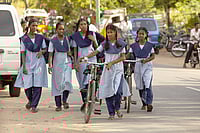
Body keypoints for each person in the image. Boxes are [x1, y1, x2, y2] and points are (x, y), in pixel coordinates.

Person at [80, 24, 130, 120]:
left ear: (115, 32)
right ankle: (111, 113)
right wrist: (86, 57)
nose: (109, 34)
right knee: (108, 91)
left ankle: (117, 108)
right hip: (107, 71)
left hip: (118, 70)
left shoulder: (121, 43)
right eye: (108, 32)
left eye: (111, 32)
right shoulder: (104, 44)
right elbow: (96, 52)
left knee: (118, 92)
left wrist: (112, 63)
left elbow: (123, 57)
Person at [70, 18, 105, 112]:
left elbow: (98, 49)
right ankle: (85, 101)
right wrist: (76, 62)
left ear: (88, 25)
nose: (83, 26)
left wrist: (94, 40)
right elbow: (75, 50)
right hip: (81, 61)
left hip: (91, 60)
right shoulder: (75, 37)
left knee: (91, 79)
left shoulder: (92, 34)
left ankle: (91, 99)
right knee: (82, 83)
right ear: (79, 26)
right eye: (81, 24)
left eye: (85, 24)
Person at [14, 18, 48, 113]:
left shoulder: (40, 38)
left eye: (36, 26)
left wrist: (42, 51)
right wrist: (24, 66)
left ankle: (34, 105)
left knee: (38, 84)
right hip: (28, 63)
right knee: (27, 85)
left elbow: (45, 48)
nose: (35, 27)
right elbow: (23, 53)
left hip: (38, 63)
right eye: (33, 25)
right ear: (29, 26)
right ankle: (31, 100)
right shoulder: (24, 39)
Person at [48, 22, 73, 111]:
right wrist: (50, 65)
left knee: (67, 82)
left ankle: (64, 100)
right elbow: (50, 54)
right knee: (57, 84)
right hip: (57, 62)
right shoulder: (53, 40)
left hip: (67, 61)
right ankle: (58, 104)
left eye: (63, 29)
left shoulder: (67, 39)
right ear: (56, 30)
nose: (61, 31)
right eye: (60, 29)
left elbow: (70, 50)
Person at [129, 27, 155, 112]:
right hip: (138, 65)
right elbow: (128, 54)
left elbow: (153, 56)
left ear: (146, 35)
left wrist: (146, 60)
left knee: (148, 85)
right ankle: (144, 102)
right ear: (137, 35)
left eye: (142, 34)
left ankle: (149, 103)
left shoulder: (149, 45)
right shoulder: (133, 46)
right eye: (139, 34)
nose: (140, 35)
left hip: (147, 66)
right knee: (140, 86)